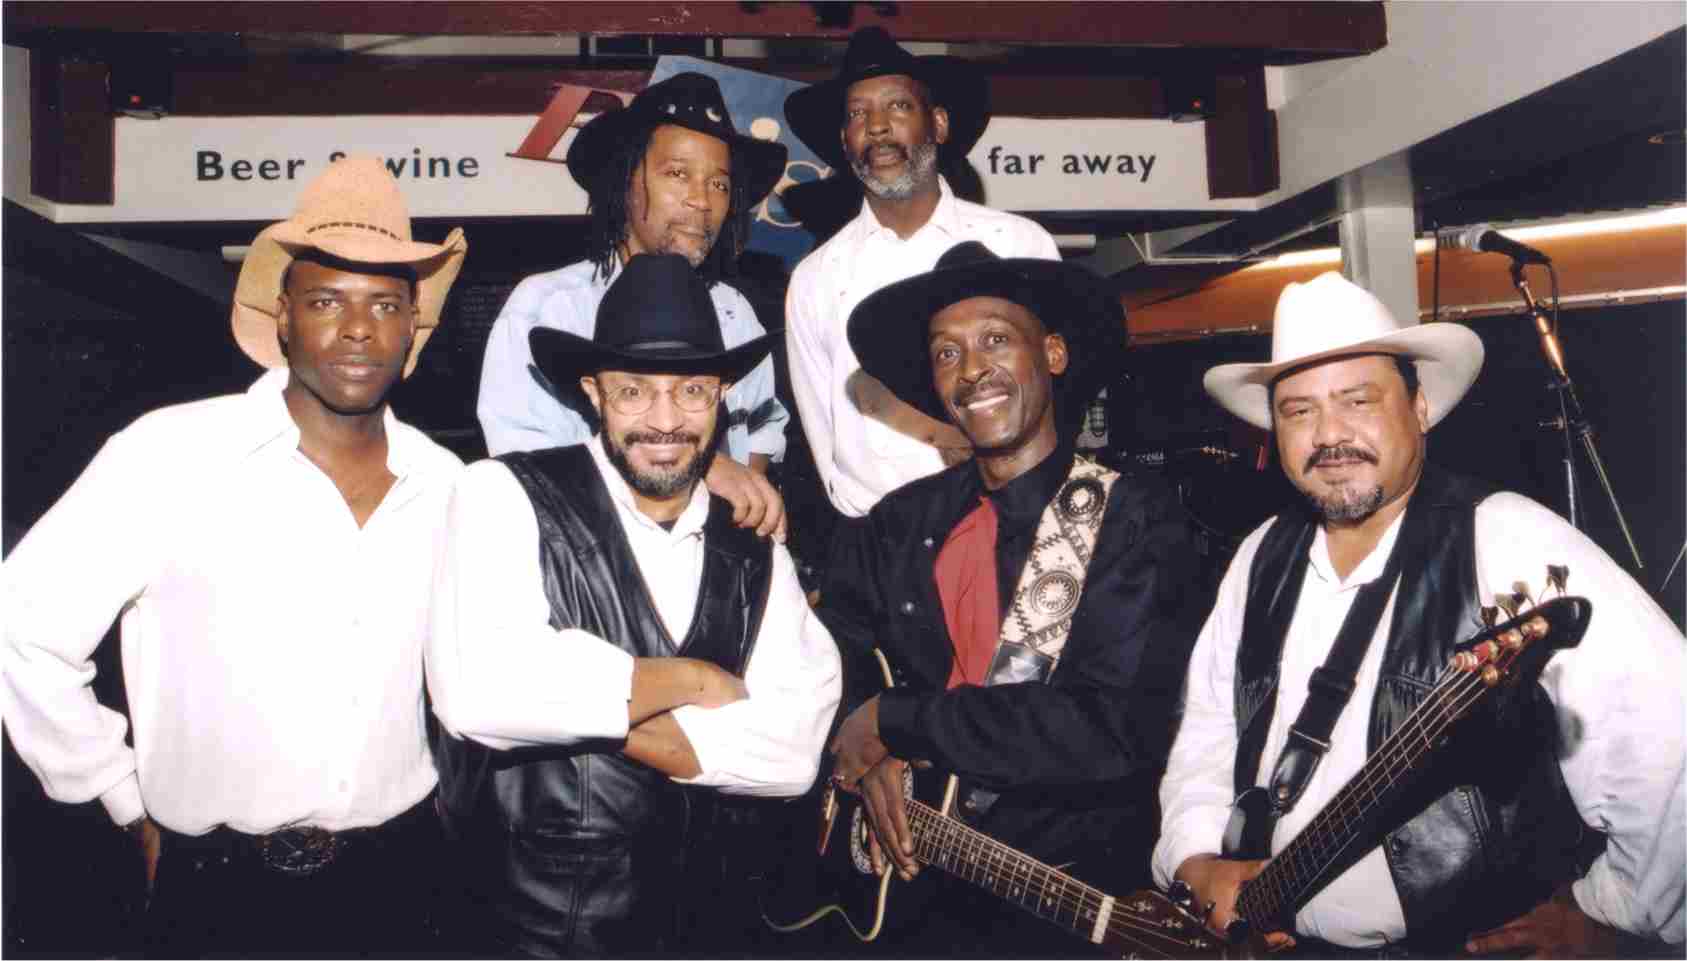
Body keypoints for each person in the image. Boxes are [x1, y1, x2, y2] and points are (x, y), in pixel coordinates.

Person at [1, 155, 468, 958]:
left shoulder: (447, 480)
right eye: (326, 299)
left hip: (404, 877)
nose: (358, 327)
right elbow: (21, 623)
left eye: (385, 303)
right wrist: (118, 795)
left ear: (411, 325)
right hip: (220, 891)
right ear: (282, 316)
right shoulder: (170, 452)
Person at [1154, 271, 1685, 956]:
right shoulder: (1261, 553)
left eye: (1357, 400)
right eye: (1298, 411)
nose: (1329, 434)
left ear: (1420, 408)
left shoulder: (1506, 535)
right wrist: (1195, 857)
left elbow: (1665, 739)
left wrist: (1614, 914)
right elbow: (1207, 733)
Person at [428, 252, 842, 957]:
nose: (664, 421)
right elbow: (480, 692)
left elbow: (793, 753)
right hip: (530, 931)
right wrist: (693, 682)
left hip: (707, 931)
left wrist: (570, 713)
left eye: (691, 391)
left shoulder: (754, 548)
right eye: (633, 392)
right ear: (593, 393)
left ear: (722, 396)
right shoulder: (501, 493)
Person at [816, 241, 1201, 953]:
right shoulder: (896, 523)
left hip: (1061, 904)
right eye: (947, 352)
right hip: (903, 908)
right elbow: (828, 661)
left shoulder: (1134, 520)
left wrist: (900, 721)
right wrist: (866, 755)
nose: (971, 369)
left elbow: (1110, 727)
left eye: (995, 339)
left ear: (1051, 354)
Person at [478, 72, 792, 539]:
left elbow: (762, 431)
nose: (702, 201)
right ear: (625, 183)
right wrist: (702, 468)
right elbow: (529, 474)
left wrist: (745, 514)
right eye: (678, 173)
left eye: (719, 184)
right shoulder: (548, 308)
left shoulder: (735, 311)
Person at [783, 26, 1060, 522]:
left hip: (1010, 519)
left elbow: (1058, 398)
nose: (877, 127)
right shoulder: (815, 278)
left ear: (939, 123)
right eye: (857, 114)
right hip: (877, 534)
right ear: (844, 140)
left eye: (898, 106)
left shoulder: (1020, 245)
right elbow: (822, 434)